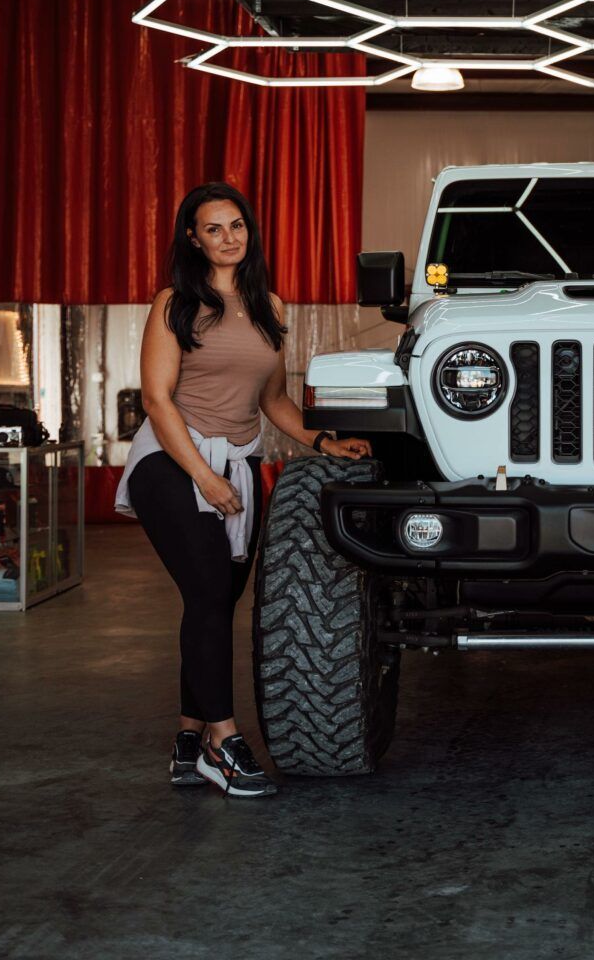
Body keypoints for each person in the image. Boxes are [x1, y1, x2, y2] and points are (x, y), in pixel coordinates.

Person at [114, 183, 371, 798]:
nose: (228, 238)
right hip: (172, 462)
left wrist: (319, 441)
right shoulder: (175, 303)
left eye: (237, 226)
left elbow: (272, 399)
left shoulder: (270, 307)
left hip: (238, 465)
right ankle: (222, 744)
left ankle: (185, 740)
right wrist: (203, 477)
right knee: (206, 593)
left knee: (215, 602)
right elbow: (155, 397)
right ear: (192, 238)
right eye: (213, 229)